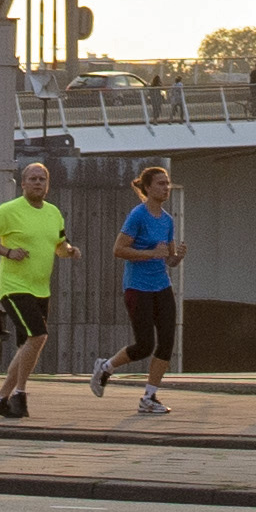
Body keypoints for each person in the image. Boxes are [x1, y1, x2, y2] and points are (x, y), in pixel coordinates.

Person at [0, 160, 65, 420]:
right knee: (38, 336)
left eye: (42, 179)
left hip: (41, 289)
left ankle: (0, 399)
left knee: (28, 345)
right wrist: (8, 251)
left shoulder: (53, 213)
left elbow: (60, 243)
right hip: (14, 287)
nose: (38, 183)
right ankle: (20, 393)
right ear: (23, 183)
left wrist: (69, 251)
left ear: (47, 185)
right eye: (33, 179)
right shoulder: (9, 210)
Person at [91, 163, 181, 414]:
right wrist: (150, 252)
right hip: (137, 286)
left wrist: (177, 257)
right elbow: (118, 250)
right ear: (148, 188)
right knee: (144, 346)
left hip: (162, 285)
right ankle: (106, 366)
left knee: (166, 343)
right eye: (161, 184)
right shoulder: (138, 215)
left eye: (168, 183)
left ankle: (149, 397)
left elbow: (169, 259)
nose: (166, 188)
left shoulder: (167, 220)